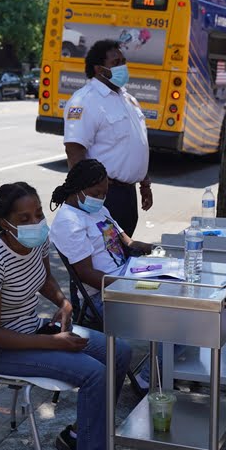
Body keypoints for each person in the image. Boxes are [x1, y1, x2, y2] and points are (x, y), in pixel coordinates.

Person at [0, 181, 132, 450]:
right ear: (5, 223)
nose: (36, 222)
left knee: (120, 351)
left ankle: (84, 434)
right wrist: (56, 342)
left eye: (39, 214)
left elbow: (43, 277)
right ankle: (93, 449)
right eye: (24, 218)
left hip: (32, 330)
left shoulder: (38, 239)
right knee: (95, 373)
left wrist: (63, 302)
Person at [48, 159, 173, 390]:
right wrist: (128, 283)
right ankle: (148, 380)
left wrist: (153, 250)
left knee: (184, 297)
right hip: (106, 295)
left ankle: (167, 368)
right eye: (96, 193)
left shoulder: (99, 209)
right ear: (78, 188)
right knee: (176, 319)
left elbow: (126, 240)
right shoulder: (69, 221)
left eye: (104, 193)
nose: (101, 198)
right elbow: (85, 274)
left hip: (129, 274)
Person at [63, 39, 152, 237]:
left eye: (123, 61)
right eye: (115, 63)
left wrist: (144, 183)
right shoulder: (85, 100)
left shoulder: (128, 99)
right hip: (103, 195)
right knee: (105, 258)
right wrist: (87, 196)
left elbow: (136, 143)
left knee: (121, 256)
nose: (122, 67)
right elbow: (74, 151)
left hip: (127, 195)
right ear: (99, 69)